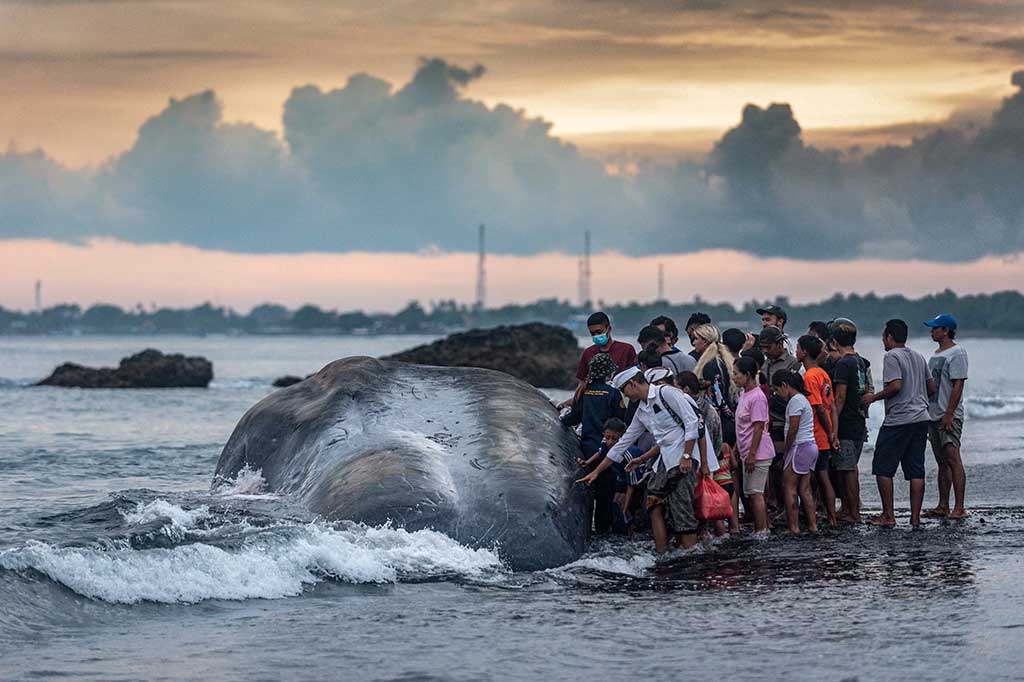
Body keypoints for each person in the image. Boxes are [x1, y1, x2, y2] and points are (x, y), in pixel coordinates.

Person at [577, 367, 709, 553]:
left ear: (632, 384)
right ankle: (662, 552)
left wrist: (688, 456)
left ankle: (691, 552)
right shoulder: (641, 410)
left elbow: (692, 423)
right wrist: (596, 472)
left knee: (682, 508)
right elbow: (623, 443)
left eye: (623, 391)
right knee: (653, 502)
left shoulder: (667, 393)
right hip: (665, 459)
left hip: (683, 458)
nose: (624, 395)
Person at [862, 319, 931, 527]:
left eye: (884, 336)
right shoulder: (918, 356)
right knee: (916, 469)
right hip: (921, 417)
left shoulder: (891, 356)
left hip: (899, 418)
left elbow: (896, 386)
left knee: (883, 467)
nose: (883, 340)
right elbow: (932, 386)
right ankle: (915, 518)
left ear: (890, 337)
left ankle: (888, 515)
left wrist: (872, 398)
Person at [564, 353, 627, 533]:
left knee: (587, 488)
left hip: (586, 449)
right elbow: (621, 420)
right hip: (607, 449)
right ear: (608, 373)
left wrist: (559, 418)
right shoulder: (613, 394)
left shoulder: (583, 392)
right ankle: (602, 531)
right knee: (605, 495)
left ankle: (584, 530)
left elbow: (573, 417)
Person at [923, 313, 969, 520]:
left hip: (948, 415)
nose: (932, 331)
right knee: (941, 460)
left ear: (946, 330)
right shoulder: (935, 355)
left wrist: (949, 413)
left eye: (935, 328)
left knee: (953, 458)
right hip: (934, 415)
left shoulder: (957, 353)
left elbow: (958, 384)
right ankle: (943, 505)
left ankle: (959, 507)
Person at [796, 335, 838, 527]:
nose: (795, 352)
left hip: (815, 434)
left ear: (804, 352)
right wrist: (833, 433)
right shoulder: (823, 373)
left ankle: (817, 518)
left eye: (797, 348)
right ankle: (831, 517)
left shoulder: (810, 376)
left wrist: (828, 432)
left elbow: (819, 408)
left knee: (814, 479)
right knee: (823, 477)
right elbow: (832, 407)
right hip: (825, 434)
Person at [829, 319, 869, 523]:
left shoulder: (844, 363)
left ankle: (853, 513)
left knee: (848, 469)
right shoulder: (860, 360)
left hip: (846, 423)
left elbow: (840, 397)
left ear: (834, 342)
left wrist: (833, 428)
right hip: (858, 420)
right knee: (848, 468)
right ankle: (848, 509)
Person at [772, 370, 819, 534]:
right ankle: (813, 526)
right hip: (810, 446)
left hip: (799, 446)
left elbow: (793, 428)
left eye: (777, 390)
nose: (778, 394)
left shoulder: (795, 401)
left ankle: (794, 527)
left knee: (789, 487)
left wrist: (786, 449)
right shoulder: (803, 399)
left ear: (785, 385)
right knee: (804, 489)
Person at [759, 325, 800, 511]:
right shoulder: (765, 364)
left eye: (768, 347)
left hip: (785, 422)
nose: (765, 351)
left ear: (779, 344)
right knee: (771, 467)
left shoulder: (793, 364)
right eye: (763, 348)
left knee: (785, 466)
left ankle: (789, 508)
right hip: (769, 423)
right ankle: (776, 505)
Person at [732, 356, 774, 532]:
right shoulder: (744, 394)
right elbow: (743, 426)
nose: (733, 377)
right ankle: (762, 528)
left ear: (747, 375)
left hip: (758, 452)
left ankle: (761, 531)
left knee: (755, 493)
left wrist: (751, 455)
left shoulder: (757, 397)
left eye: (736, 374)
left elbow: (758, 428)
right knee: (752, 492)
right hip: (746, 450)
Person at [562, 312, 637, 409]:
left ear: (608, 329)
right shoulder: (588, 353)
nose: (596, 336)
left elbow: (635, 381)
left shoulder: (626, 349)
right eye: (592, 334)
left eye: (599, 332)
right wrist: (567, 404)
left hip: (621, 403)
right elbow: (581, 385)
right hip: (595, 405)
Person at [691, 323, 737, 449]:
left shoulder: (709, 366)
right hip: (728, 421)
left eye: (696, 339)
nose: (693, 343)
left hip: (717, 424)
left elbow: (716, 399)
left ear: (705, 341)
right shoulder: (723, 361)